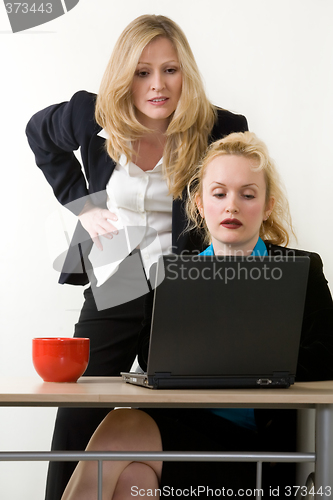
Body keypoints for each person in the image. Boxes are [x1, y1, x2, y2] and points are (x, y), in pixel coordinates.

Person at [25, 14, 248, 500]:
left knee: (167, 416)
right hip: (116, 273)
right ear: (124, 73)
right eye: (143, 71)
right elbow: (38, 134)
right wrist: (82, 204)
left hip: (183, 285)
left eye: (170, 70)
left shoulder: (220, 127)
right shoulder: (91, 114)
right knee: (79, 412)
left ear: (185, 72)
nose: (157, 85)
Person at [59, 131, 333, 499]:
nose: (231, 206)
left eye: (247, 194)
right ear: (200, 203)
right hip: (181, 431)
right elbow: (151, 357)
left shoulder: (302, 268)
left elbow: (327, 355)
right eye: (219, 194)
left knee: (124, 440)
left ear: (267, 206)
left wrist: (240, 356)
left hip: (259, 448)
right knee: (130, 478)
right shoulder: (173, 273)